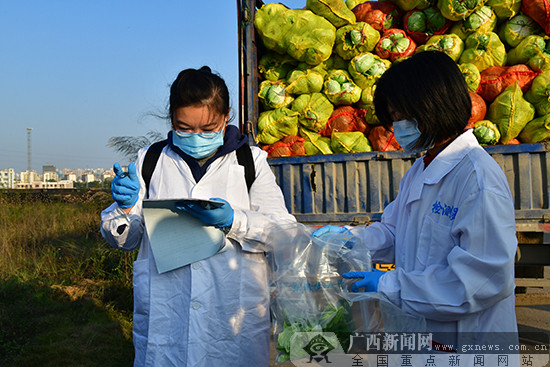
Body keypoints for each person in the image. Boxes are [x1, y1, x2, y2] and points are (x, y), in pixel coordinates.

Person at [314, 51, 518, 349]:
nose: (396, 127)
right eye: (393, 117)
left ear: (432, 107)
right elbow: (396, 230)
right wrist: (352, 239)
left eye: (401, 116)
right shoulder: (420, 170)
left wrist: (389, 285)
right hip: (421, 334)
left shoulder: (477, 177)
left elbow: (482, 280)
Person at [100, 66, 296, 366]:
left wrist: (236, 222)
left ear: (225, 117)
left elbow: (284, 233)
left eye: (207, 129)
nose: (195, 136)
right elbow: (126, 239)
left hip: (232, 319)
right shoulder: (151, 160)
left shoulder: (250, 162)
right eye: (184, 128)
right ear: (172, 119)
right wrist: (124, 209)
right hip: (168, 317)